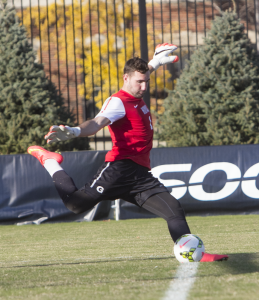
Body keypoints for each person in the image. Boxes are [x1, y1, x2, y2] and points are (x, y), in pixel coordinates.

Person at [28, 43, 228, 262]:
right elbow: (96, 123)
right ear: (125, 79)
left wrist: (154, 63)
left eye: (146, 82)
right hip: (119, 169)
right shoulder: (118, 101)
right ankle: (50, 161)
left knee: (173, 209)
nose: (144, 87)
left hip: (140, 174)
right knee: (76, 205)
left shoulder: (137, 93)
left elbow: (142, 73)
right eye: (139, 82)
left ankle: (194, 254)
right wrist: (75, 131)